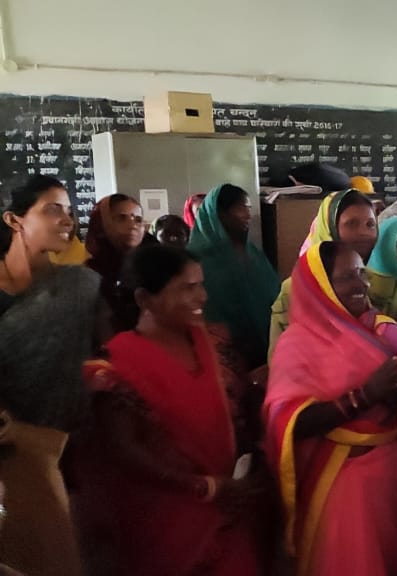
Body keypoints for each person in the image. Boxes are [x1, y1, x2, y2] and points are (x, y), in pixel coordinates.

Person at [79, 244, 267, 575]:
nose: (202, 297)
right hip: (167, 519)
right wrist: (205, 488)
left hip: (227, 504)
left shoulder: (205, 341)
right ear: (144, 299)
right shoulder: (113, 366)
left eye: (201, 285)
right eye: (187, 288)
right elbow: (125, 451)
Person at [265, 241, 397, 576]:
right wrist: (366, 395)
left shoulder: (382, 329)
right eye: (347, 277)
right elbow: (288, 420)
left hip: (396, 475)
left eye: (362, 273)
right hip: (345, 484)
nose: (362, 284)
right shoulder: (299, 342)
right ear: (320, 286)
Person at [0, 175, 101, 576]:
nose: (67, 220)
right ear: (14, 220)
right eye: (52, 209)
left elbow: (101, 355)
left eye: (70, 211)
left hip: (60, 446)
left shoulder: (78, 287)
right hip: (11, 449)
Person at [269, 189, 379, 358]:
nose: (364, 233)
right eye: (351, 224)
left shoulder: (372, 281)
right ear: (329, 228)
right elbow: (282, 362)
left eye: (370, 225)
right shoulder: (296, 289)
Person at [188, 183, 280, 368]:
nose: (247, 215)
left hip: (266, 351)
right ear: (220, 214)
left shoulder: (253, 254)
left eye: (248, 208)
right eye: (241, 208)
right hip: (222, 357)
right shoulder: (197, 259)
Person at [85, 194, 153, 334]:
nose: (133, 225)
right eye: (121, 218)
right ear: (101, 224)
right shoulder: (89, 276)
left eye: (138, 220)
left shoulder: (155, 267)